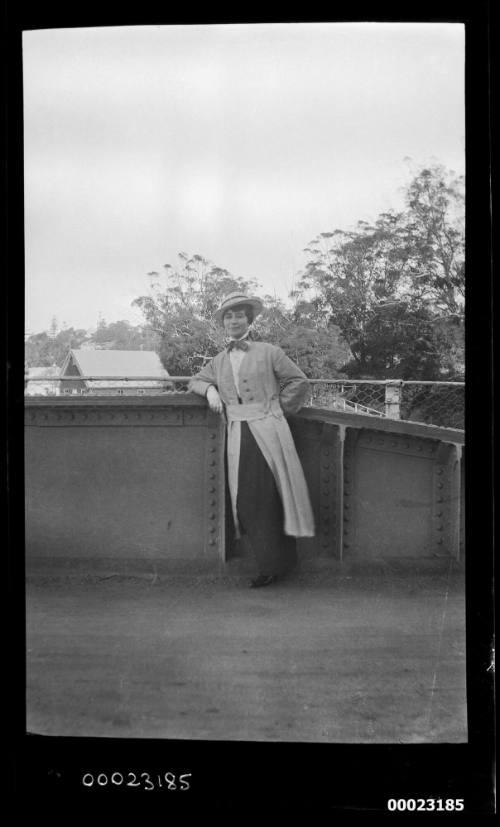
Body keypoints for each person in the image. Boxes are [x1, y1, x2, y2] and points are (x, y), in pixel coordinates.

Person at [189, 291, 315, 587]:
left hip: (269, 431)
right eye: (228, 316)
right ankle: (273, 564)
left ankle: (275, 566)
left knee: (269, 496)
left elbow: (298, 381)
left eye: (239, 315)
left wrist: (277, 409)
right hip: (238, 433)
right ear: (223, 322)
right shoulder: (218, 361)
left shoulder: (270, 351)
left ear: (250, 320)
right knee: (247, 499)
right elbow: (196, 379)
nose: (233, 321)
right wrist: (209, 391)